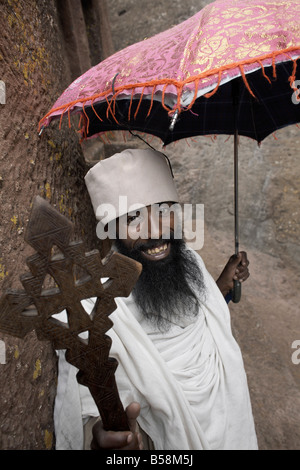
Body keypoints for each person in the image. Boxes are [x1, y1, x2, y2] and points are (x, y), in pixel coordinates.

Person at [54, 148, 257, 450]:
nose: (156, 229)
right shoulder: (94, 312)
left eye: (163, 209)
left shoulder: (191, 263)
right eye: (133, 217)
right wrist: (103, 438)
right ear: (110, 230)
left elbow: (195, 315)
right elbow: (88, 411)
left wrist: (222, 287)